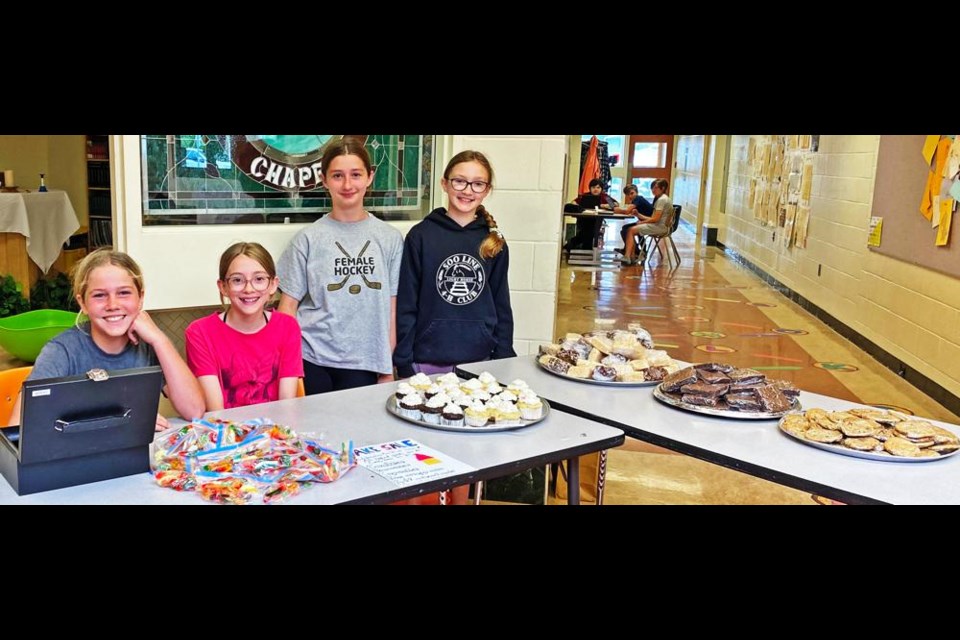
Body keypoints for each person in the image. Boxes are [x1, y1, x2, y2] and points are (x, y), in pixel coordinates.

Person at [7, 249, 205, 428]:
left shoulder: (149, 345)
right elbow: (18, 429)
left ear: (140, 298)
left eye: (124, 293)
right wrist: (125, 422)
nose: (113, 304)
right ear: (82, 303)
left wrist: (159, 340)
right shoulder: (61, 350)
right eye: (100, 295)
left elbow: (194, 411)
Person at [277, 139, 403, 395]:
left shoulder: (389, 238)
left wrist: (387, 367)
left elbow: (391, 310)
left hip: (365, 362)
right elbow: (287, 309)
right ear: (324, 180)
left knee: (356, 433)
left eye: (355, 175)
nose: (347, 185)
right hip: (311, 358)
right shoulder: (308, 239)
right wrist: (287, 368)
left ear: (370, 177)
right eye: (338, 176)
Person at [394, 149, 515, 379]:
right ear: (444, 184)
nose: (468, 190)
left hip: (481, 363)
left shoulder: (493, 241)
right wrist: (403, 360)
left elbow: (501, 305)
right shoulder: (420, 236)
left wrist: (504, 355)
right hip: (426, 361)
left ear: (487, 190)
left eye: (477, 184)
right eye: (459, 181)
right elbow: (407, 303)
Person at [185, 242, 304, 411]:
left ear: (273, 285)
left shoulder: (287, 326)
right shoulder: (199, 332)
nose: (249, 289)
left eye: (259, 279)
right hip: (225, 431)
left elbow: (286, 405)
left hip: (274, 431)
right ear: (223, 287)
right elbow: (215, 410)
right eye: (237, 280)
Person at [621, 178, 674, 266]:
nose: (653, 190)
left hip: (659, 227)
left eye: (656, 188)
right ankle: (632, 256)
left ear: (663, 188)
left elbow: (655, 219)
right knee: (630, 229)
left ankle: (628, 256)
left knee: (630, 230)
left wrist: (642, 222)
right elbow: (653, 218)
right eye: (652, 188)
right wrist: (638, 215)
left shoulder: (662, 200)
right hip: (659, 225)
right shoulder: (661, 198)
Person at [562, 178, 618, 255]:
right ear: (590, 188)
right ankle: (578, 250)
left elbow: (616, 204)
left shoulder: (604, 196)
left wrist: (604, 205)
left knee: (589, 234)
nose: (596, 189)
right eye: (593, 187)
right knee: (588, 233)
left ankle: (570, 247)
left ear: (601, 189)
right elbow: (573, 202)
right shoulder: (585, 196)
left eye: (598, 187)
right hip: (584, 219)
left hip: (596, 220)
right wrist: (577, 206)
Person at [614, 183, 654, 251]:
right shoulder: (636, 200)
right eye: (628, 194)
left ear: (637, 192)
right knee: (625, 229)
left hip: (649, 222)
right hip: (644, 222)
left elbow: (627, 211)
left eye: (632, 193)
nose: (630, 196)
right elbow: (630, 211)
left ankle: (634, 250)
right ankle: (636, 250)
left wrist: (615, 210)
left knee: (625, 229)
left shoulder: (638, 198)